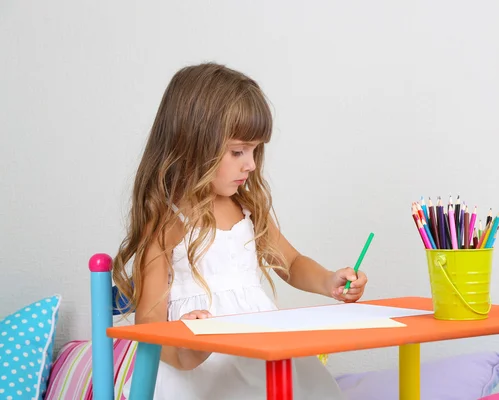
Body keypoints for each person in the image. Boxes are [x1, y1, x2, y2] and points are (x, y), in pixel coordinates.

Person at [112, 62, 368, 399]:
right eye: (237, 151)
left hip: (262, 356)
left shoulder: (247, 209)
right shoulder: (167, 223)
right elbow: (149, 326)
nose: (251, 164)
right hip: (200, 372)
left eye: (254, 151)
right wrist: (188, 351)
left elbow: (291, 263)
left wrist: (329, 281)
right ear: (192, 145)